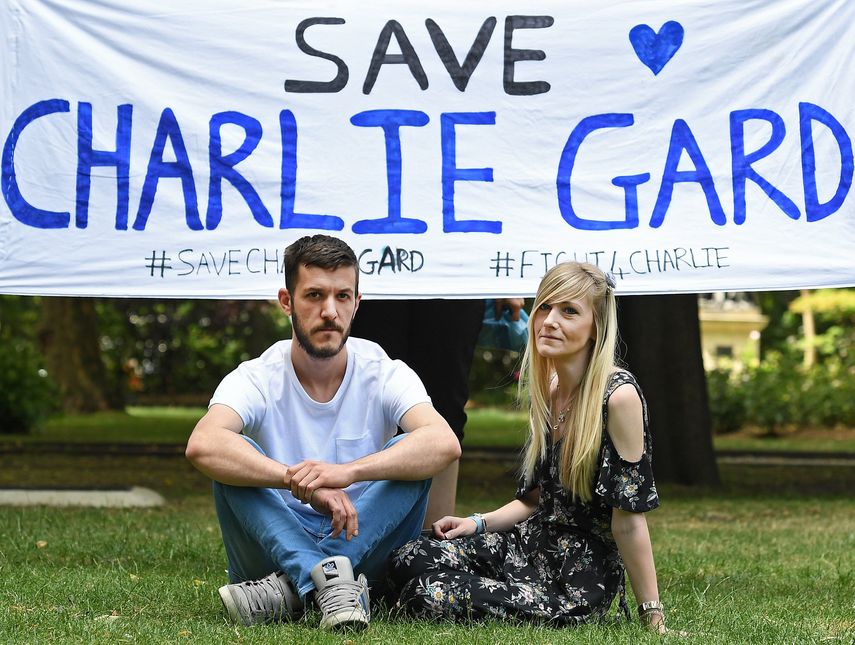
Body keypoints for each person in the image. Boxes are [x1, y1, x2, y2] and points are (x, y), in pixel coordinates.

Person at [185, 234, 461, 632]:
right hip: (272, 544)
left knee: (410, 452)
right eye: (314, 295)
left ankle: (291, 592)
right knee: (234, 455)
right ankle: (328, 581)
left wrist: (348, 472)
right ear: (286, 301)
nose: (330, 311)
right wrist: (298, 481)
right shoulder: (257, 375)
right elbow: (203, 444)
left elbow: (443, 443)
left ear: (357, 303)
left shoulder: (384, 371)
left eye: (342, 296)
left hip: (360, 537)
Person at [389, 262, 670, 632]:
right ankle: (507, 592)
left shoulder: (618, 397)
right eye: (545, 307)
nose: (550, 320)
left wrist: (653, 618)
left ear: (596, 328)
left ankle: (512, 597)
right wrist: (475, 523)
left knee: (427, 592)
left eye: (569, 311)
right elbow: (535, 499)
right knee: (407, 557)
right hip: (527, 548)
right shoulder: (551, 386)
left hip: (575, 581)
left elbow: (630, 522)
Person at [351, 297, 525, 525]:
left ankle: (434, 547)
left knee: (445, 409)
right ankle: (353, 534)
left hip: (452, 285)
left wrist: (503, 282)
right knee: (365, 396)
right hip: (376, 285)